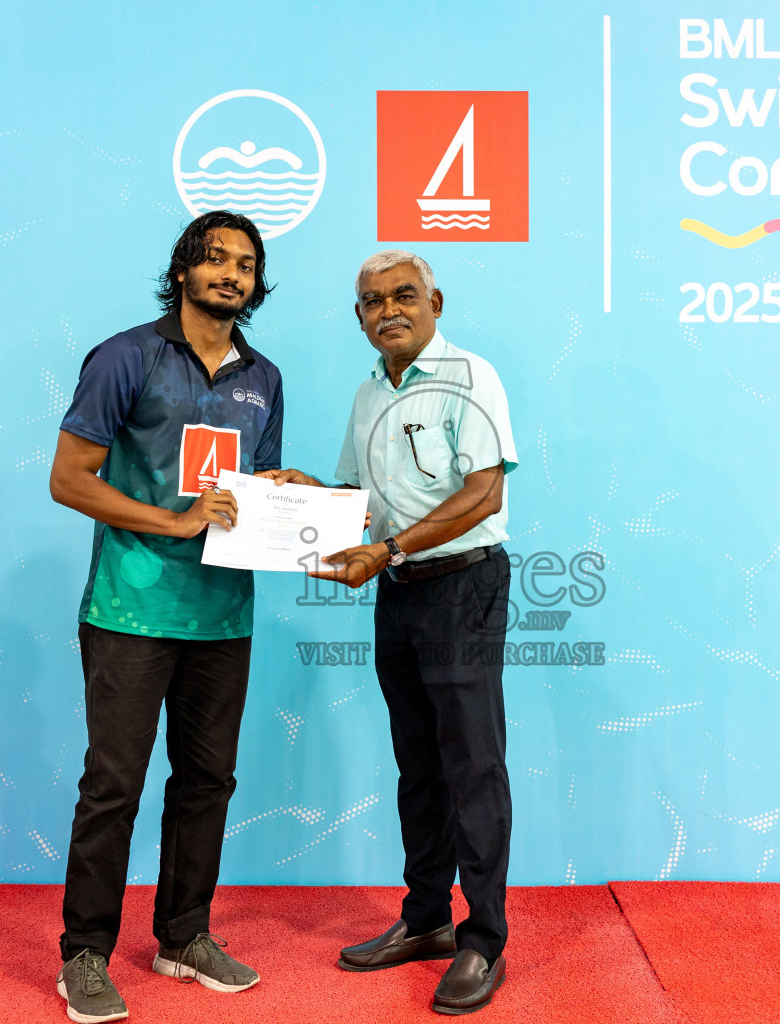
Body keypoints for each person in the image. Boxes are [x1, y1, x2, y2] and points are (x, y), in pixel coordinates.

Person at [261, 249, 517, 1015]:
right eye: (372, 301)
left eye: (404, 295)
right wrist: (309, 495)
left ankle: (484, 940)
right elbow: (357, 497)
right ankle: (427, 919)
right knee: (419, 765)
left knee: (472, 764)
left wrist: (389, 548)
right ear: (359, 316)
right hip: (399, 592)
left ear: (435, 300)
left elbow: (484, 490)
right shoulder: (369, 393)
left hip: (462, 585)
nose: (388, 310)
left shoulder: (471, 379)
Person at [48, 210, 283, 1023]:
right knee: (114, 784)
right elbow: (71, 478)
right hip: (131, 610)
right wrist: (175, 521)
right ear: (183, 269)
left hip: (223, 615)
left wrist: (288, 499)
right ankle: (84, 954)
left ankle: (183, 937)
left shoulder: (265, 376)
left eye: (245, 264)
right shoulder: (126, 356)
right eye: (214, 259)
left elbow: (252, 486)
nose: (231, 274)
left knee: (207, 782)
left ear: (255, 283)